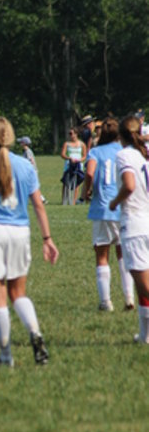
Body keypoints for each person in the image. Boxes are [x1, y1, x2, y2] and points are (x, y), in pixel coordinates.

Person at [0, 116, 59, 367]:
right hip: (20, 231)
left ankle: (6, 355)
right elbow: (38, 205)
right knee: (18, 293)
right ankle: (35, 333)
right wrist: (47, 239)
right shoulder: (25, 166)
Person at [84, 117, 134, 312]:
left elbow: (90, 173)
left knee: (102, 254)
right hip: (123, 207)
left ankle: (106, 301)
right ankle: (129, 297)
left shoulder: (95, 152)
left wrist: (86, 191)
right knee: (123, 254)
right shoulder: (124, 151)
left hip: (103, 207)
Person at [110, 115, 149, 344]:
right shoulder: (144, 155)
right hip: (146, 218)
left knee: (143, 284)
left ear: (120, 136)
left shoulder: (124, 155)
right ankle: (145, 336)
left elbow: (129, 185)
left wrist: (115, 202)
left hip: (135, 223)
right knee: (142, 286)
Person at [17, 136, 47, 204]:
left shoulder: (28, 151)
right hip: (30, 172)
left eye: (21, 142)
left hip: (31, 172)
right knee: (30, 186)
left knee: (32, 186)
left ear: (24, 143)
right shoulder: (26, 151)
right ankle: (42, 199)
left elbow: (31, 161)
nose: (20, 143)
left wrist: (29, 170)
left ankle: (42, 200)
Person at [60, 126, 86, 204]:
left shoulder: (82, 144)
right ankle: (64, 200)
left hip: (78, 164)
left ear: (76, 134)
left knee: (76, 183)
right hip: (69, 164)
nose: (70, 135)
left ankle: (73, 201)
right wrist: (69, 158)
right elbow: (62, 154)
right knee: (65, 182)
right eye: (69, 133)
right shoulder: (67, 144)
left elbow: (84, 155)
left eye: (71, 133)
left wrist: (80, 160)